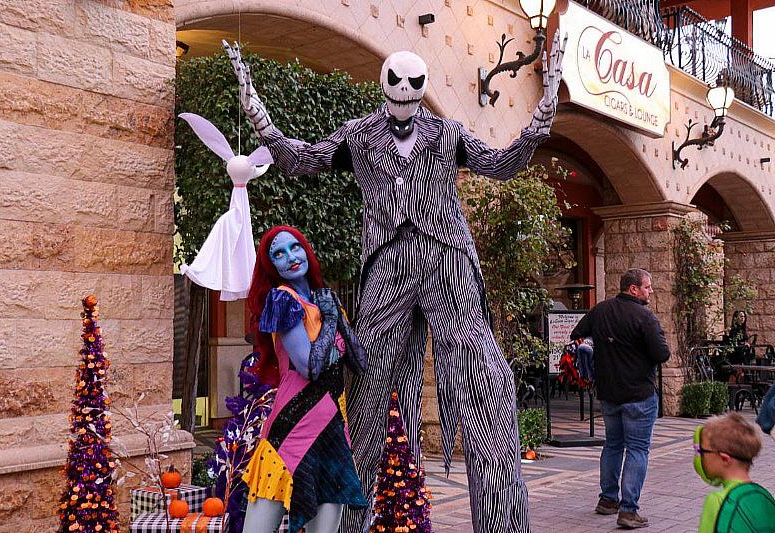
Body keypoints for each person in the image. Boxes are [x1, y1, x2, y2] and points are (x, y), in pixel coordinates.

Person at [224, 35, 567, 533]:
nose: (404, 90)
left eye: (413, 82)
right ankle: (345, 524)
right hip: (387, 265)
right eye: (396, 80)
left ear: (422, 87)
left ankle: (503, 522)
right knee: (366, 388)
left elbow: (499, 165)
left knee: (485, 377)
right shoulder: (359, 134)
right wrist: (260, 118)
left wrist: (536, 128)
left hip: (447, 257)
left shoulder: (447, 133)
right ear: (383, 83)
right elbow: (302, 159)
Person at [241, 225, 367, 533]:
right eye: (279, 254)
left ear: (306, 249)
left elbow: (359, 362)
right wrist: (330, 321)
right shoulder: (281, 301)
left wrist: (333, 313)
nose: (290, 257)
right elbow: (308, 368)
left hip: (333, 430)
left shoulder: (324, 300)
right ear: (272, 266)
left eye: (295, 247)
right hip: (291, 430)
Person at [570, 268, 670, 529]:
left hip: (609, 393)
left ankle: (607, 500)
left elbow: (577, 334)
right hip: (639, 394)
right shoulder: (645, 317)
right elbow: (662, 354)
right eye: (647, 287)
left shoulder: (601, 310)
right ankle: (628, 510)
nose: (650, 291)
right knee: (637, 449)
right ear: (633, 288)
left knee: (613, 445)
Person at [695, 412, 775, 532]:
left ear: (724, 459)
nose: (699, 457)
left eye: (702, 451)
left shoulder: (717, 501)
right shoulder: (764, 495)